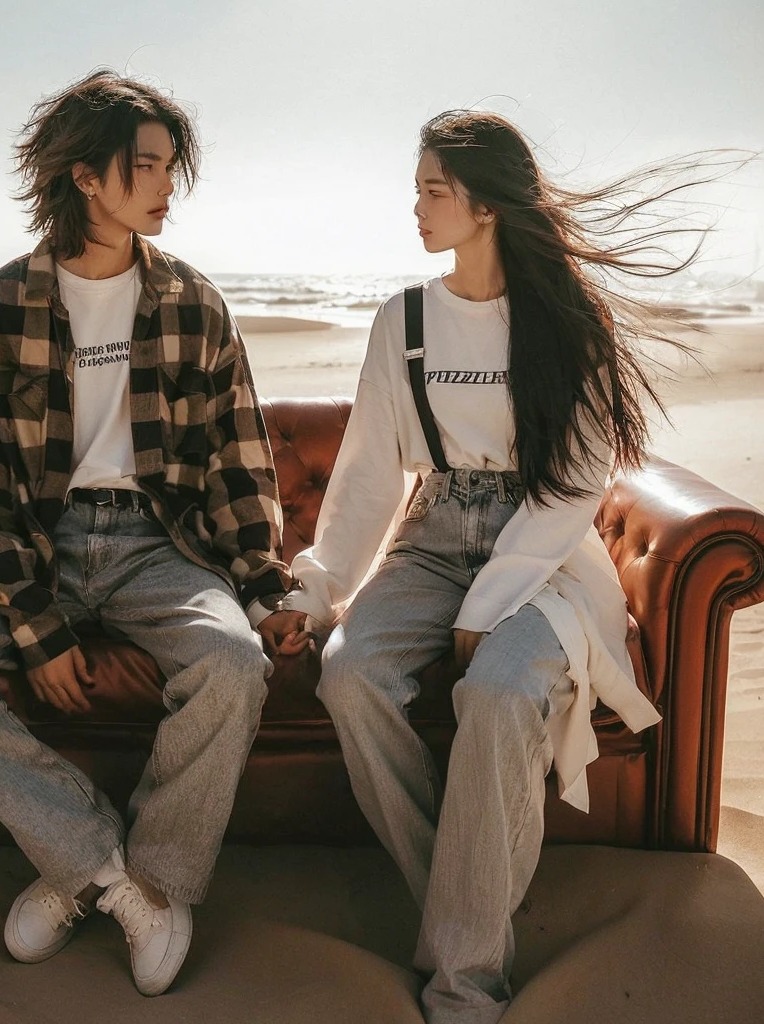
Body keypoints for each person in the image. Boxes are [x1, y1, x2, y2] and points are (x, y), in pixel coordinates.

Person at [263, 111, 706, 1022]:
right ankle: (462, 903)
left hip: (543, 547)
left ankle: (464, 980)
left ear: (488, 205)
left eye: (434, 190)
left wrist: (490, 604)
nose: (416, 206)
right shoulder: (404, 320)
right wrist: (318, 589)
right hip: (431, 534)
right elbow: (368, 476)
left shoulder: (567, 323)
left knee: (502, 691)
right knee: (351, 676)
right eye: (418, 188)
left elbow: (574, 483)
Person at [0, 69, 302, 997]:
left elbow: (237, 464)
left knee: (233, 665)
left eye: (170, 167)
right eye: (146, 165)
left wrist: (265, 587)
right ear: (83, 174)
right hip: (36, 544)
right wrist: (34, 621)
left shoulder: (194, 304)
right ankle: (99, 869)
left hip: (160, 544)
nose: (166, 186)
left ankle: (156, 880)